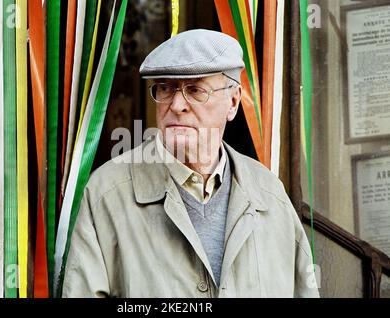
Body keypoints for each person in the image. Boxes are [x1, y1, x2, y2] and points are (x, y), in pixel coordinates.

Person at [62, 29, 319, 298]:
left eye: (195, 90)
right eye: (165, 88)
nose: (176, 105)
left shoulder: (269, 194)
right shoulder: (107, 193)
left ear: (232, 102)